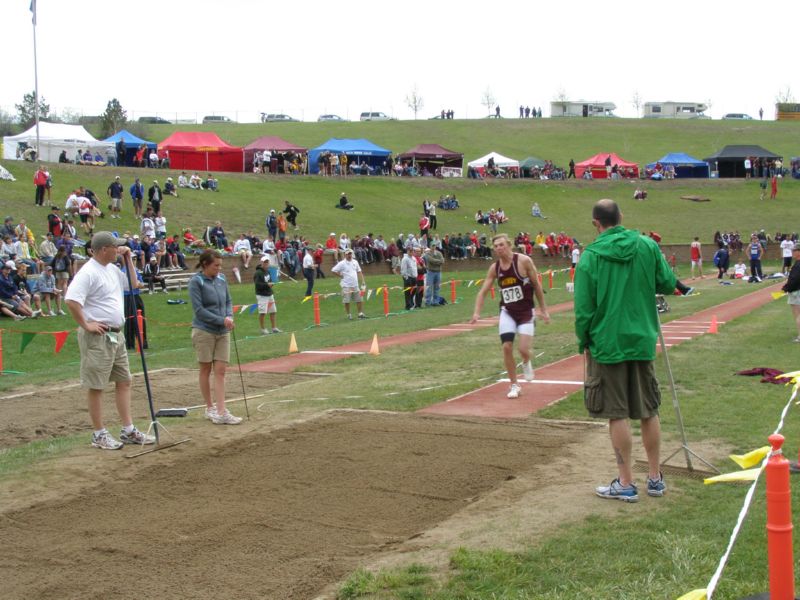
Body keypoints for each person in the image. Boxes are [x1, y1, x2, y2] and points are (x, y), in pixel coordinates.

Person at [574, 199, 676, 502]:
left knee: (616, 413)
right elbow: (668, 284)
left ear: (596, 223)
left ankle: (626, 481)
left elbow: (583, 310)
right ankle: (655, 477)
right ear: (621, 217)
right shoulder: (647, 246)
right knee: (648, 409)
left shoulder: (590, 257)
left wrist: (584, 341)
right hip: (641, 338)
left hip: (607, 343)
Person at [63, 232, 156, 450]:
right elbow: (71, 300)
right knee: (97, 385)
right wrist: (86, 324)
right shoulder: (88, 272)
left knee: (124, 380)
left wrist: (129, 260)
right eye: (116, 247)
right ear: (104, 249)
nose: (119, 249)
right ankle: (99, 433)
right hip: (98, 336)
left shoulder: (113, 269)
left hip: (117, 334)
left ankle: (128, 429)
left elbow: (133, 284)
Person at [470, 234, 550, 399]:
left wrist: (543, 309)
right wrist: (477, 312)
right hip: (507, 311)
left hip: (526, 311)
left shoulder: (524, 261)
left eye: (501, 245)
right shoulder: (495, 268)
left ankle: (526, 361)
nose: (498, 248)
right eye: (495, 246)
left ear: (509, 245)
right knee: (506, 347)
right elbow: (482, 292)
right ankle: (514, 384)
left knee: (523, 349)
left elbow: (536, 285)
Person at [188, 249, 242, 425]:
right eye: (216, 265)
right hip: (204, 331)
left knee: (221, 370)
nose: (219, 269)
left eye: (220, 265)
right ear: (205, 264)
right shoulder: (196, 282)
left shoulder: (222, 279)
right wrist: (221, 319)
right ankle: (210, 407)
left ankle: (222, 410)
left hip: (222, 331)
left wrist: (229, 316)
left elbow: (228, 300)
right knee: (205, 369)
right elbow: (199, 310)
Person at [331, 249, 366, 320]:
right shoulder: (342, 263)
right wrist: (340, 275)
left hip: (355, 285)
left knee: (359, 299)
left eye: (350, 254)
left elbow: (359, 271)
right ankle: (348, 314)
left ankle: (360, 313)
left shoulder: (355, 262)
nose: (349, 255)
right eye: (348, 254)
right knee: (347, 301)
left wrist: (363, 280)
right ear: (345, 255)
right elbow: (333, 270)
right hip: (346, 285)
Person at [254, 255, 281, 334]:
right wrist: (267, 285)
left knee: (273, 311)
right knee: (263, 312)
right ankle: (263, 329)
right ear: (262, 263)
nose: (266, 264)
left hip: (269, 294)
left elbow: (270, 280)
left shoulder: (268, 271)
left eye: (267, 262)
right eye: (265, 262)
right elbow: (258, 285)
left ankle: (274, 328)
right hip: (262, 295)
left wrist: (271, 284)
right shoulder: (258, 273)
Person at [782, 243, 800, 342]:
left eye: (794, 250)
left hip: (796, 291)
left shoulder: (798, 264)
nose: (792, 252)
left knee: (798, 315)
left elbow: (795, 279)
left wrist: (786, 288)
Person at [400, 246, 418, 310]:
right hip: (408, 277)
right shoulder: (405, 259)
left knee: (414, 290)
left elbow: (415, 267)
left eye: (412, 251)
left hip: (414, 277)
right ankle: (408, 305)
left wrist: (416, 276)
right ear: (407, 251)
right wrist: (406, 278)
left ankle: (411, 303)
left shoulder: (413, 258)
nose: (411, 252)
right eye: (410, 251)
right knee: (407, 292)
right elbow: (403, 269)